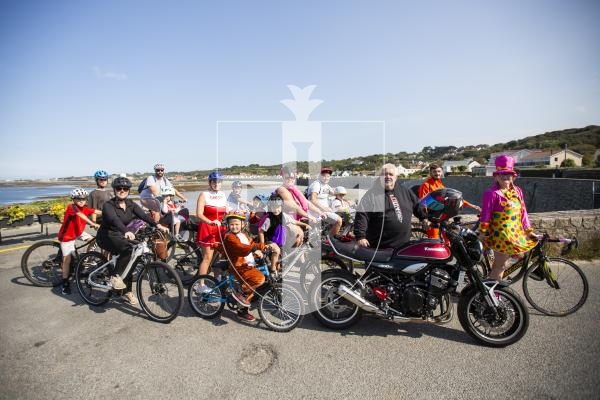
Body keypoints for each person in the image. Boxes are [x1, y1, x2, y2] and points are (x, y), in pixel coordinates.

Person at [96, 177, 169, 304]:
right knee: (129, 250)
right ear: (114, 190)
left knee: (134, 258)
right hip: (106, 236)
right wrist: (126, 231)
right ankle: (114, 277)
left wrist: (158, 225)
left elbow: (144, 216)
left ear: (129, 190)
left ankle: (127, 291)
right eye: (119, 188)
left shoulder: (130, 204)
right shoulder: (108, 205)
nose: (122, 190)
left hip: (120, 236)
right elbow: (115, 220)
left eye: (125, 189)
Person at [477, 155, 538, 281]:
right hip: (501, 235)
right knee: (500, 266)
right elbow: (486, 215)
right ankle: (493, 295)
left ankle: (499, 284)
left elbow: (523, 212)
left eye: (508, 174)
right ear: (496, 176)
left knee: (520, 255)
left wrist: (528, 230)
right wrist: (482, 232)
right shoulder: (491, 194)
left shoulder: (518, 191)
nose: (505, 176)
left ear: (513, 176)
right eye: (501, 174)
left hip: (516, 233)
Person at [214, 212, 280, 321]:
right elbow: (240, 247)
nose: (234, 227)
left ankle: (242, 311)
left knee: (253, 283)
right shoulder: (229, 237)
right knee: (258, 278)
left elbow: (252, 244)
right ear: (228, 225)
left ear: (242, 224)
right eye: (231, 224)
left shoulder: (244, 235)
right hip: (238, 266)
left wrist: (267, 246)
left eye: (237, 224)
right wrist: (253, 250)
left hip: (247, 264)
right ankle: (240, 293)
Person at [354, 164, 426, 249]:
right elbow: (361, 215)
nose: (388, 177)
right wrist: (361, 236)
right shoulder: (371, 194)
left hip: (403, 246)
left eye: (391, 174)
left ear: (396, 177)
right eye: (384, 174)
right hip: (380, 247)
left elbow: (417, 206)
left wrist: (425, 217)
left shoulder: (406, 192)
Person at [418, 164, 481, 239]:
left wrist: (472, 206)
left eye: (439, 171)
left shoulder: (440, 184)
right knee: (433, 239)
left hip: (442, 215)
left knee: (448, 238)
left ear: (441, 172)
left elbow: (453, 198)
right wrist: (425, 218)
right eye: (434, 171)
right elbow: (423, 203)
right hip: (432, 217)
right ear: (430, 173)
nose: (437, 173)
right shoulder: (426, 185)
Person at [58, 188, 101, 295]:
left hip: (78, 232)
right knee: (67, 259)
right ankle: (65, 283)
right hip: (67, 236)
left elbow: (97, 211)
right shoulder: (71, 207)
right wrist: (93, 223)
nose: (81, 201)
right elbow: (79, 215)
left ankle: (85, 259)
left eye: (84, 199)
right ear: (73, 199)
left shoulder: (85, 208)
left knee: (94, 240)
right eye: (78, 199)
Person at [195, 171, 230, 292]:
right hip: (208, 228)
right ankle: (201, 285)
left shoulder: (223, 195)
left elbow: (227, 211)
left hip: (220, 229)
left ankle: (217, 280)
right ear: (210, 182)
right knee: (207, 257)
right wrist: (210, 221)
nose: (216, 183)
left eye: (218, 181)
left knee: (218, 257)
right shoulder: (204, 194)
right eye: (214, 181)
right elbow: (198, 214)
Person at [258, 195, 307, 268]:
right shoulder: (269, 219)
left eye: (278, 207)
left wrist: (305, 225)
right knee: (276, 253)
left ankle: (280, 267)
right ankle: (273, 272)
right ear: (270, 207)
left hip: (279, 242)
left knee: (278, 264)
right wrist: (262, 244)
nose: (276, 209)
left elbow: (293, 221)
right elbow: (261, 231)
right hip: (270, 241)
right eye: (273, 207)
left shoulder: (283, 215)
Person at [307, 167, 342, 236]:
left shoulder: (326, 186)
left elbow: (336, 194)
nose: (326, 178)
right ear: (320, 176)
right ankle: (329, 241)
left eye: (328, 176)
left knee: (342, 213)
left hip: (324, 209)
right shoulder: (316, 184)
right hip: (316, 211)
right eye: (324, 176)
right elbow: (313, 199)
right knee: (339, 220)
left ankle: (328, 232)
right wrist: (324, 208)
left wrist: (347, 201)